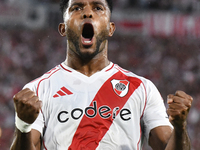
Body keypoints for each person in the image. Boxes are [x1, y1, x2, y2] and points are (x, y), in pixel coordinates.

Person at [10, 0, 193, 150]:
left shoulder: (142, 88)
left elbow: (167, 144)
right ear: (63, 29)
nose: (87, 13)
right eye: (77, 8)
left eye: (98, 8)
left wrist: (179, 128)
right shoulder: (38, 90)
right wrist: (23, 126)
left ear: (110, 28)